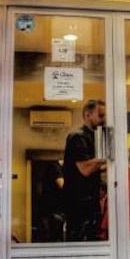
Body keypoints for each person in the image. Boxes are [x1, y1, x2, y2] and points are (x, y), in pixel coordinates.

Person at [62, 99, 106, 241]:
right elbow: (85, 169)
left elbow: (95, 168)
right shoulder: (78, 136)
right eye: (100, 116)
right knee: (79, 243)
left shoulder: (94, 137)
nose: (103, 120)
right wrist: (107, 154)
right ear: (87, 115)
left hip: (90, 201)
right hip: (79, 203)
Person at [38, 159, 65, 242]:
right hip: (52, 209)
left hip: (49, 208)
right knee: (53, 237)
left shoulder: (53, 167)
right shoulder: (55, 167)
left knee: (50, 236)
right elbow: (62, 185)